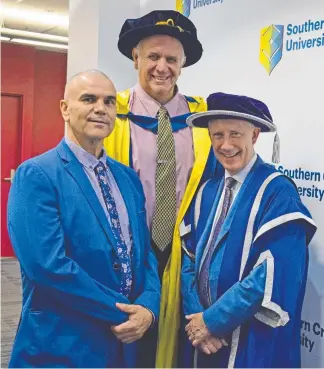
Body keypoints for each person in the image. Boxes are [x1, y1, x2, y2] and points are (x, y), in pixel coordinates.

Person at [7, 70, 160, 368]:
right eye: (89, 99)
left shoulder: (128, 179)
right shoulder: (37, 175)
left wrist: (149, 307)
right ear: (65, 108)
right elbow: (47, 267)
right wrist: (123, 313)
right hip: (63, 345)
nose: (100, 109)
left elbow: (143, 254)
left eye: (109, 102)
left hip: (124, 347)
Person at [104, 10, 221, 367]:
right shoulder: (110, 113)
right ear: (135, 57)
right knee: (123, 343)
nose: (162, 67)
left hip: (184, 255)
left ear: (183, 64)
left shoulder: (202, 119)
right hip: (125, 253)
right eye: (153, 56)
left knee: (177, 349)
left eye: (172, 59)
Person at [181, 92, 317, 367]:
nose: (226, 144)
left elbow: (270, 276)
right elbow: (188, 259)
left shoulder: (278, 192)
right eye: (217, 135)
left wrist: (213, 321)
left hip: (250, 339)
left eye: (235, 134)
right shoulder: (207, 190)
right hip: (204, 340)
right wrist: (197, 319)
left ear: (254, 136)